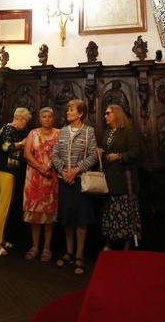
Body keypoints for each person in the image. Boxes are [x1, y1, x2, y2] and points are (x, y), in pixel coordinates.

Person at [51, 99, 98, 274]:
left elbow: (93, 156)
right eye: (68, 109)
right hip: (65, 181)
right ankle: (69, 252)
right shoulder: (62, 131)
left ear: (80, 113)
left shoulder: (89, 132)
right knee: (67, 219)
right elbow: (55, 154)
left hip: (80, 182)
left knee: (81, 219)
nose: (67, 112)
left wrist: (76, 170)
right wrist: (64, 171)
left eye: (71, 110)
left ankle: (79, 255)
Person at [0, 107, 31, 256]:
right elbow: (6, 147)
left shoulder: (6, 128)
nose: (25, 125)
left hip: (5, 171)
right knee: (2, 206)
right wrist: (22, 143)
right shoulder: (9, 129)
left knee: (4, 206)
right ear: (20, 118)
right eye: (25, 122)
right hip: (5, 171)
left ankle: (0, 238)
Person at [100, 104, 141, 251]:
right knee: (110, 213)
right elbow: (106, 150)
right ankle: (109, 242)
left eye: (108, 113)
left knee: (126, 213)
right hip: (110, 179)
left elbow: (136, 152)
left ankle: (127, 245)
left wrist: (119, 156)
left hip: (124, 179)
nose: (105, 116)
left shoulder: (128, 131)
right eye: (105, 114)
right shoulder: (107, 133)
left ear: (116, 114)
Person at [23, 107, 59, 262]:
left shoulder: (58, 133)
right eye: (44, 116)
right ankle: (35, 246)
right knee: (35, 215)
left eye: (50, 116)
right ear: (39, 119)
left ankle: (47, 248)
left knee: (49, 215)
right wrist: (39, 167)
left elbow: (61, 152)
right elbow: (27, 153)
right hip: (34, 177)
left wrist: (48, 166)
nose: (47, 119)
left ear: (53, 118)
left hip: (51, 176)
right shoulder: (33, 133)